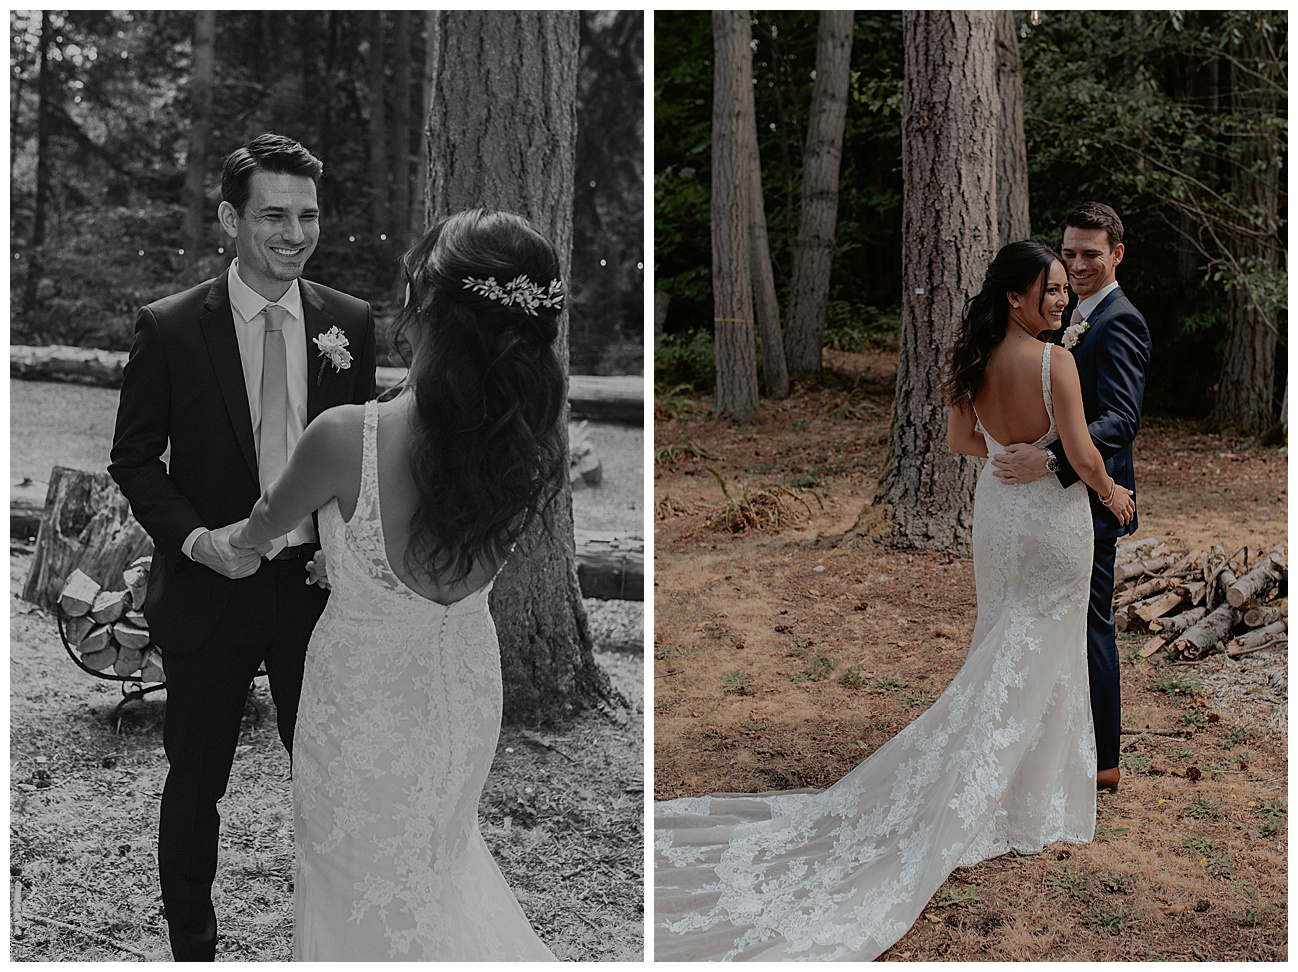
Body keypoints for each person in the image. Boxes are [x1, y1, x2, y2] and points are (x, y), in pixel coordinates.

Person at [653, 241, 1134, 961]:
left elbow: (962, 440)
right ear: (1016, 296)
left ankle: (1020, 790)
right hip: (1051, 522)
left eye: (1067, 289)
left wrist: (1007, 454)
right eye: (1053, 289)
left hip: (999, 516)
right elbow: (1084, 455)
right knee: (1042, 647)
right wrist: (1112, 492)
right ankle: (1030, 801)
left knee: (1006, 641)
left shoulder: (973, 356)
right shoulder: (1054, 363)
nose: (1064, 301)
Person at [224, 209, 566, 960]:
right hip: (464, 687)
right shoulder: (529, 440)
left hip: (364, 699)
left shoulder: (345, 436)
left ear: (428, 307)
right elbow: (440, 552)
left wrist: (229, 547)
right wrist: (351, 563)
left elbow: (267, 520)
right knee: (435, 868)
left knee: (349, 874)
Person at [108, 132, 377, 960]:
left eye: (308, 216)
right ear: (231, 219)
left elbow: (363, 453)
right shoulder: (170, 327)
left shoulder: (350, 323)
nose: (296, 234)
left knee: (331, 781)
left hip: (315, 594)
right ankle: (193, 948)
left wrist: (344, 544)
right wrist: (195, 541)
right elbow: (133, 459)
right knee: (196, 785)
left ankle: (337, 942)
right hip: (209, 589)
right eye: (274, 216)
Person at [991, 202, 1151, 793]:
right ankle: (1055, 743)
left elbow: (1120, 419)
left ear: (1117, 254)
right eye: (1069, 253)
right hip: (1055, 504)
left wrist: (1052, 457)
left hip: (1089, 499)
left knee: (1091, 625)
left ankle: (1104, 759)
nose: (1078, 264)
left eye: (1090, 254)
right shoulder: (1071, 316)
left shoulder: (1121, 321)